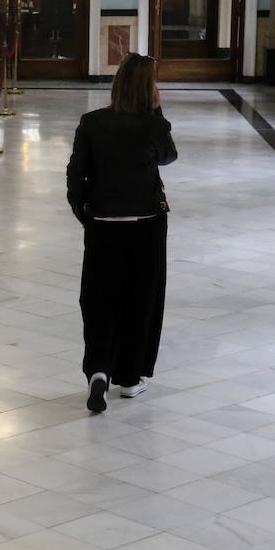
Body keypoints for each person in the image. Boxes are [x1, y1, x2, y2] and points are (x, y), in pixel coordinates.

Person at [65, 53, 178, 414]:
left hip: (103, 226)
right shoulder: (153, 126)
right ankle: (129, 378)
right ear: (150, 89)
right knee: (140, 299)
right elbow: (168, 157)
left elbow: (75, 176)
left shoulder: (93, 122)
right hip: (146, 223)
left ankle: (99, 369)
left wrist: (85, 213)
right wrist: (156, 114)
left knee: (98, 299)